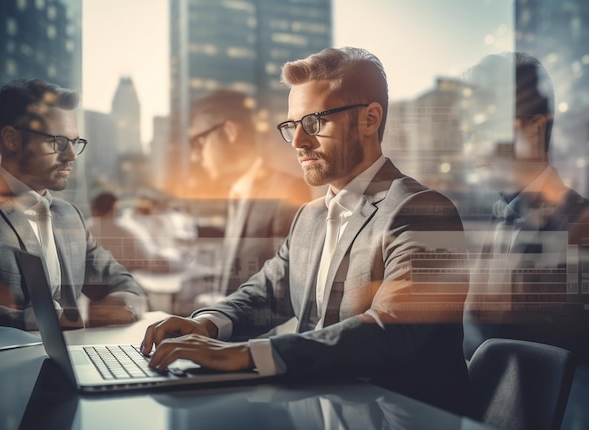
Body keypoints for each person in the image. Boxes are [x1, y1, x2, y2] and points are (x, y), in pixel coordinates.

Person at [141, 47, 469, 413]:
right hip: (317, 409)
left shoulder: (422, 211)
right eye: (291, 126)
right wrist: (205, 325)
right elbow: (265, 294)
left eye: (314, 123)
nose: (297, 142)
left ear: (370, 119)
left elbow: (389, 331)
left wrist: (244, 355)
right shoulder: (310, 217)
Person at [0, 78, 147, 330]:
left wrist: (121, 305)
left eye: (75, 142)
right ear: (11, 139)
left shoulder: (69, 215)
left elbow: (126, 286)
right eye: (58, 141)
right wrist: (53, 321)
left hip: (71, 363)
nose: (71, 155)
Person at [461, 52, 589, 361]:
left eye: (486, 126)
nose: (471, 145)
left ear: (535, 128)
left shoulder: (580, 226)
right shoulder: (485, 220)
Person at [188, 89, 311, 305]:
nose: (195, 156)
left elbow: (287, 286)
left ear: (229, 132)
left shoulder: (287, 192)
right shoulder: (236, 195)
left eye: (198, 142)